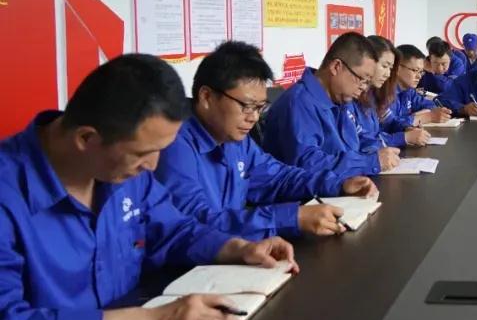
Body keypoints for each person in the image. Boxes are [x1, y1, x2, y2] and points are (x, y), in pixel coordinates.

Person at [0, 54, 297, 320]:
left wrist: (238, 248)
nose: (153, 166)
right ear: (87, 139)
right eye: (143, 154)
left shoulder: (122, 168)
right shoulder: (9, 193)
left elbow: (174, 229)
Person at [155, 42, 378, 240]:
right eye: (246, 106)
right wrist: (291, 218)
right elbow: (197, 223)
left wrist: (338, 184)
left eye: (259, 108)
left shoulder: (235, 139)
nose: (253, 118)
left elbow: (278, 178)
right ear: (206, 97)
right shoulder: (173, 145)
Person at [261, 32, 400, 176]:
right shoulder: (298, 103)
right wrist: (368, 162)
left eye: (367, 82)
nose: (364, 88)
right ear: (336, 67)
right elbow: (308, 164)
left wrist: (376, 152)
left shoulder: (341, 99)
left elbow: (360, 138)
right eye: (362, 79)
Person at [360, 36, 430, 149]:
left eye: (390, 68)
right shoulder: (357, 97)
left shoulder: (374, 93)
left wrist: (406, 128)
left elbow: (390, 122)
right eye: (384, 66)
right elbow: (363, 142)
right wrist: (404, 136)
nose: (388, 74)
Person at [391, 44, 454, 126]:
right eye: (415, 70)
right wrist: (427, 117)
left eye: (421, 72)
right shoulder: (385, 93)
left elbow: (430, 105)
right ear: (397, 68)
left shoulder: (409, 91)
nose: (419, 76)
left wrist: (416, 117)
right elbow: (390, 126)